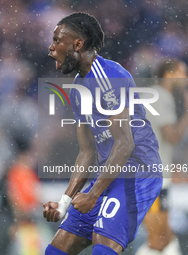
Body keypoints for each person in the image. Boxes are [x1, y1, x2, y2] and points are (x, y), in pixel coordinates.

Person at [43, 12, 162, 255]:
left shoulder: (110, 77)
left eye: (57, 40)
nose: (51, 47)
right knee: (55, 252)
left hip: (136, 172)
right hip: (108, 174)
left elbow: (125, 144)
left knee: (103, 249)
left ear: (78, 44)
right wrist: (65, 202)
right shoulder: (78, 87)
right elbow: (88, 151)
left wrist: (93, 194)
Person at [136, 59, 188, 255]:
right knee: (158, 239)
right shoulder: (159, 97)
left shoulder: (152, 95)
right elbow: (172, 137)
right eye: (182, 73)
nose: (185, 79)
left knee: (165, 238)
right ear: (169, 75)